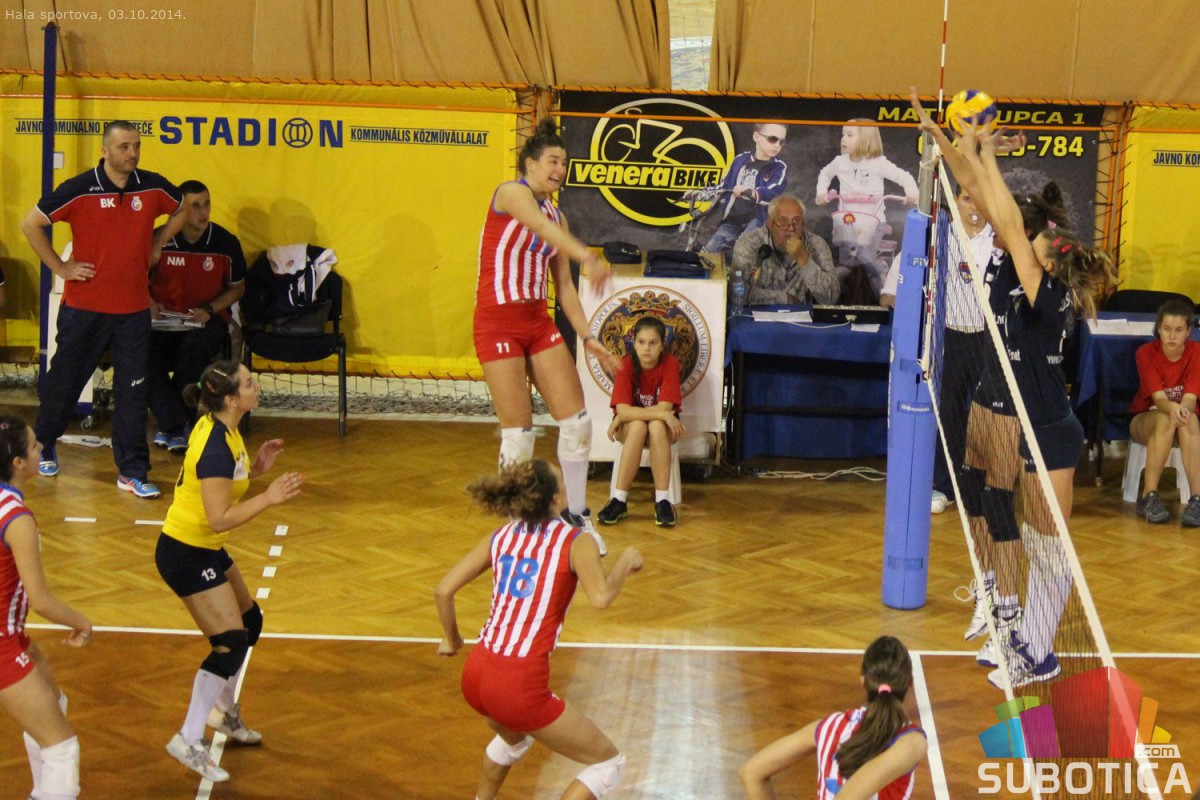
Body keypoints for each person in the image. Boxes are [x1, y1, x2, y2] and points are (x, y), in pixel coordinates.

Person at [914, 89, 1116, 688]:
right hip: (1024, 428)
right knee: (1028, 537)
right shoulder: (1011, 262)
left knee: (1050, 549)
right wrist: (951, 139)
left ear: (1044, 257)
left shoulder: (1046, 293)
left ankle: (1039, 653)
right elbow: (976, 192)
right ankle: (1025, 637)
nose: (1006, 229)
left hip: (1049, 430)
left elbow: (1001, 210)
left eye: (1028, 239)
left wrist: (987, 152)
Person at [436, 459, 643, 800]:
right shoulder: (576, 541)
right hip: (518, 685)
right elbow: (601, 598)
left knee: (514, 740)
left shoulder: (501, 535)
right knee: (609, 764)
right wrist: (625, 562)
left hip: (475, 676)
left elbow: (444, 591)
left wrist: (452, 638)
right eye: (561, 480)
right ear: (556, 499)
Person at [474, 119, 620, 555]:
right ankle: (516, 528)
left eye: (564, 163)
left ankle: (576, 515)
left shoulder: (559, 214)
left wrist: (588, 336)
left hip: (538, 322)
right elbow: (539, 228)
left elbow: (566, 288)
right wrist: (588, 256)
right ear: (530, 164)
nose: (560, 169)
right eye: (553, 161)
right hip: (497, 321)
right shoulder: (510, 194)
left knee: (578, 423)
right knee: (519, 433)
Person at [155, 359, 303, 782]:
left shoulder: (223, 428)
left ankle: (222, 713)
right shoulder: (216, 446)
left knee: (250, 622)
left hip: (202, 547)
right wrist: (269, 497)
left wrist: (257, 469)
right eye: (250, 382)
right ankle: (188, 738)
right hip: (185, 553)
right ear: (233, 398)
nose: (257, 386)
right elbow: (219, 518)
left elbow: (225, 481)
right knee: (230, 642)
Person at [20, 120, 183, 498]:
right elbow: (30, 224)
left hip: (133, 312)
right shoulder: (79, 188)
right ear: (105, 151)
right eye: (124, 147)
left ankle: (132, 471)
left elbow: (180, 209)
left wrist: (158, 241)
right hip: (84, 310)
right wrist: (61, 267)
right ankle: (45, 443)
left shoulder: (152, 186)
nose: (133, 153)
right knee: (65, 383)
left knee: (133, 392)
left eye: (137, 146)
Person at [0, 415, 92, 800]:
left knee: (54, 703)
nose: (41, 450)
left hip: (13, 638)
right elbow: (39, 599)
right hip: (2, 643)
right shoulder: (16, 518)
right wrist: (81, 622)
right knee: (62, 750)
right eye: (36, 446)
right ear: (18, 463)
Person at [739, 636, 927, 800]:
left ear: (863, 680)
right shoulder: (911, 742)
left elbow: (752, 772)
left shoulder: (829, 726)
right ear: (910, 682)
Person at [149, 180, 247, 453]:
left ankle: (172, 426)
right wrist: (149, 303)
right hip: (162, 321)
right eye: (195, 206)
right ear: (179, 211)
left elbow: (238, 288)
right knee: (139, 353)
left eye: (207, 204)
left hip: (204, 320)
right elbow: (133, 279)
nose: (204, 212)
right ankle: (176, 424)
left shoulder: (225, 242)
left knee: (193, 352)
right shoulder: (157, 240)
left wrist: (210, 309)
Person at [597, 316, 686, 527]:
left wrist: (660, 415)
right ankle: (619, 500)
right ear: (634, 343)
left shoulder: (670, 363)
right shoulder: (626, 364)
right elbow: (624, 411)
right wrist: (661, 414)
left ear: (662, 345)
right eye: (641, 342)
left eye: (653, 343)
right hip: (631, 427)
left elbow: (665, 407)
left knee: (655, 426)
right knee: (638, 427)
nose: (647, 348)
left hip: (662, 428)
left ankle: (662, 501)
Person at [815, 120, 919, 292]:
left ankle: (880, 271)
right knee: (845, 262)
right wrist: (821, 193)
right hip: (847, 223)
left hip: (873, 222)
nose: (843, 139)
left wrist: (911, 192)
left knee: (864, 256)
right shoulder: (840, 162)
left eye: (850, 135)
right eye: (843, 135)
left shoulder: (878, 163)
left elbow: (903, 176)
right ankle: (848, 294)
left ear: (866, 139)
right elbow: (825, 174)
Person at [1129, 300, 1200, 526]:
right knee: (1165, 419)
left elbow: (1190, 399)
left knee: (1190, 419)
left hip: (1182, 420)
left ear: (1188, 331)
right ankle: (1149, 496)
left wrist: (1182, 410)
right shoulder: (1145, 353)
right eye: (1167, 329)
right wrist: (1174, 409)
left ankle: (1197, 499)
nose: (1172, 335)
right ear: (1158, 328)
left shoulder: (1197, 353)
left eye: (1178, 330)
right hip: (1145, 418)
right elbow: (1159, 400)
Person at [700, 122, 790, 257]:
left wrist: (751, 192)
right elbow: (723, 186)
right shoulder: (740, 160)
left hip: (759, 220)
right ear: (756, 137)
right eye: (772, 139)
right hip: (733, 219)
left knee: (742, 252)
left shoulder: (779, 167)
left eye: (781, 142)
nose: (777, 145)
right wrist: (701, 192)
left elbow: (773, 192)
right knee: (709, 253)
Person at [731, 194, 838, 307]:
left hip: (801, 317)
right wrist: (784, 299)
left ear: (803, 223)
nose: (791, 228)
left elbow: (831, 298)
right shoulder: (749, 243)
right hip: (754, 315)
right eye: (783, 221)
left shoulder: (816, 245)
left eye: (796, 221)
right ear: (770, 223)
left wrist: (804, 261)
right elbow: (736, 294)